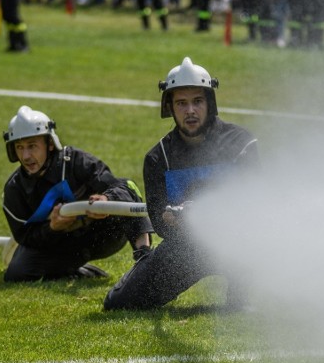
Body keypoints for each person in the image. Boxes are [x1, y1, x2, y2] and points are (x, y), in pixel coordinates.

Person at [103, 57, 259, 311]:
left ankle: (241, 294)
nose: (190, 111)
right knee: (118, 304)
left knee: (240, 303)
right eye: (181, 103)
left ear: (210, 102)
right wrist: (172, 220)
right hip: (188, 249)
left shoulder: (241, 144)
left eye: (197, 101)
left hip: (238, 243)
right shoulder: (158, 158)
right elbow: (159, 222)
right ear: (170, 107)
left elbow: (257, 206)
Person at [1, 106, 153, 282]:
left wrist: (106, 200)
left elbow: (120, 187)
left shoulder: (75, 162)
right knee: (16, 273)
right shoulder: (14, 189)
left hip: (102, 236)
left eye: (32, 146)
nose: (26, 156)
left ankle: (145, 260)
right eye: (19, 147)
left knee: (129, 188)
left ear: (50, 144)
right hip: (61, 245)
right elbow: (26, 238)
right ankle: (71, 269)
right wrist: (52, 228)